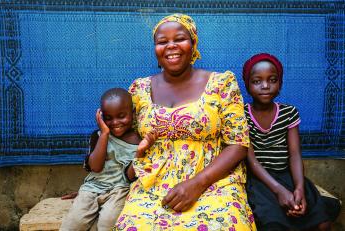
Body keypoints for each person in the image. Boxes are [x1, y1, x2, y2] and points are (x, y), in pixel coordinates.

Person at [115, 14, 256, 230]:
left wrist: (197, 183)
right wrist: (101, 185)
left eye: (179, 39)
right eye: (162, 42)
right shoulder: (139, 89)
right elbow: (122, 140)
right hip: (153, 184)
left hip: (213, 181)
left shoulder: (221, 84)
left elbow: (238, 144)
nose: (171, 46)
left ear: (193, 43)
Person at [242, 53, 341, 231]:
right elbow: (252, 161)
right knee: (273, 224)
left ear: (280, 84)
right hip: (260, 181)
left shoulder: (289, 113)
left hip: (287, 175)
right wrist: (279, 191)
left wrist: (299, 188)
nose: (265, 86)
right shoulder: (242, 115)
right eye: (257, 81)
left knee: (322, 223)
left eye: (272, 80)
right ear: (247, 86)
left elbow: (295, 155)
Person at [60, 88, 157, 231]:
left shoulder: (138, 141)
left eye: (121, 116)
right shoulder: (98, 136)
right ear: (101, 117)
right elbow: (95, 167)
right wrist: (104, 134)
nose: (115, 122)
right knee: (73, 223)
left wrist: (140, 152)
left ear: (133, 113)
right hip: (92, 188)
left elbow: (130, 177)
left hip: (120, 190)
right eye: (108, 118)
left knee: (108, 222)